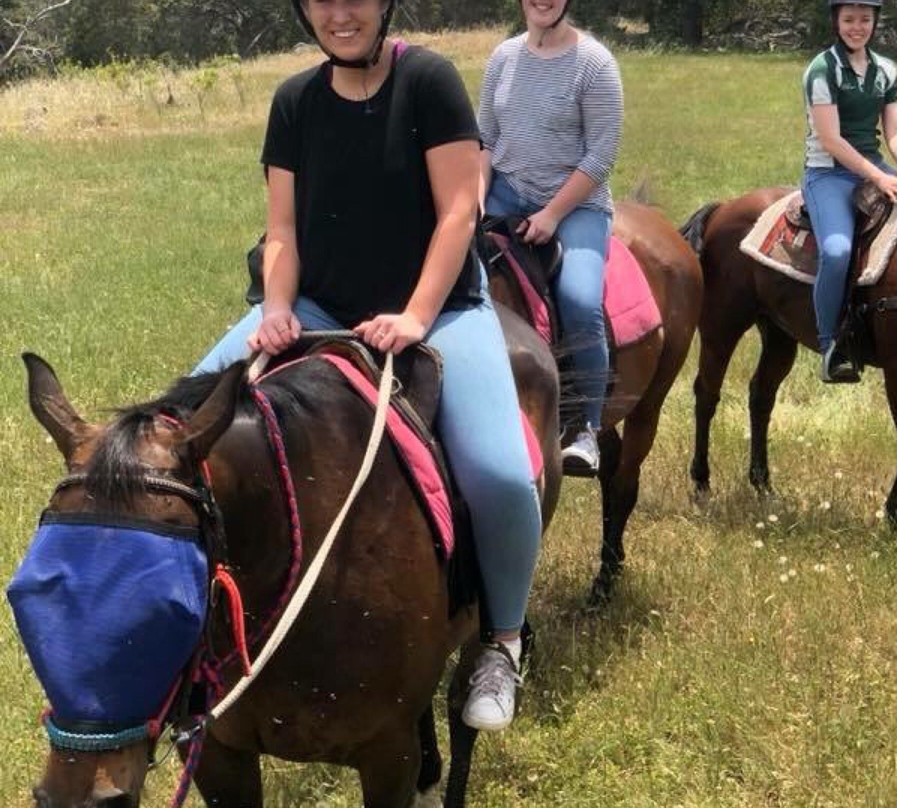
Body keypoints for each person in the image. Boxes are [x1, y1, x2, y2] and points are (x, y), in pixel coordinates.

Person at [193, 0, 541, 733]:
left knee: (503, 473)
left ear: (385, 5)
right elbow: (282, 229)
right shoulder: (293, 101)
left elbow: (457, 214)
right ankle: (192, 641)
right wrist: (279, 308)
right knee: (180, 436)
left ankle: (503, 642)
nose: (338, 13)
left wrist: (416, 317)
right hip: (316, 307)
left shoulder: (429, 82)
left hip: (441, 312)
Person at [477, 0, 624, 476]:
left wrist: (553, 214)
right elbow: (485, 140)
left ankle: (587, 428)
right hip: (503, 194)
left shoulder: (595, 63)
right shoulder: (502, 58)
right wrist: (477, 200)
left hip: (576, 205)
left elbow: (600, 156)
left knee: (580, 299)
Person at [802, 0, 897, 383]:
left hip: (875, 167)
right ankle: (830, 346)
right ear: (836, 21)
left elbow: (896, 129)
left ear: (875, 22)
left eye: (865, 19)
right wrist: (881, 178)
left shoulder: (886, 69)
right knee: (836, 253)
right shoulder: (822, 69)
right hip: (828, 174)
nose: (858, 27)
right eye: (849, 19)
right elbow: (831, 140)